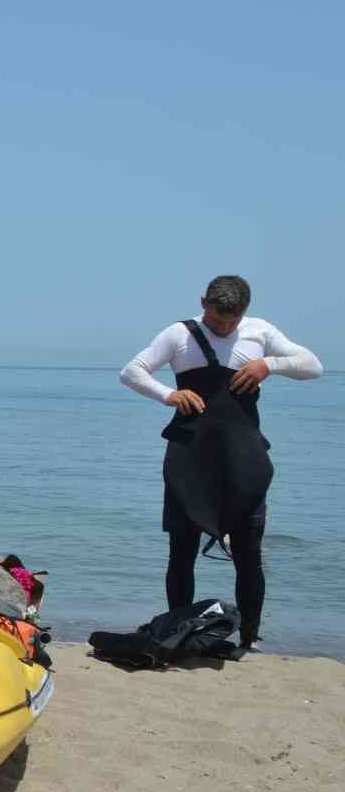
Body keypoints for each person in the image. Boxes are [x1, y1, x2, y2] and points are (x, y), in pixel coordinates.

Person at [120, 274, 321, 648]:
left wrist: (269, 365)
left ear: (244, 312)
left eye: (231, 321)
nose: (223, 327)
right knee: (181, 551)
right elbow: (131, 372)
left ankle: (250, 638)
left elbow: (312, 365)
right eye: (216, 319)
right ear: (202, 302)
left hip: (243, 457)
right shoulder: (179, 335)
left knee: (249, 554)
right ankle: (178, 630)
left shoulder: (259, 332)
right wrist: (169, 395)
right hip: (189, 457)